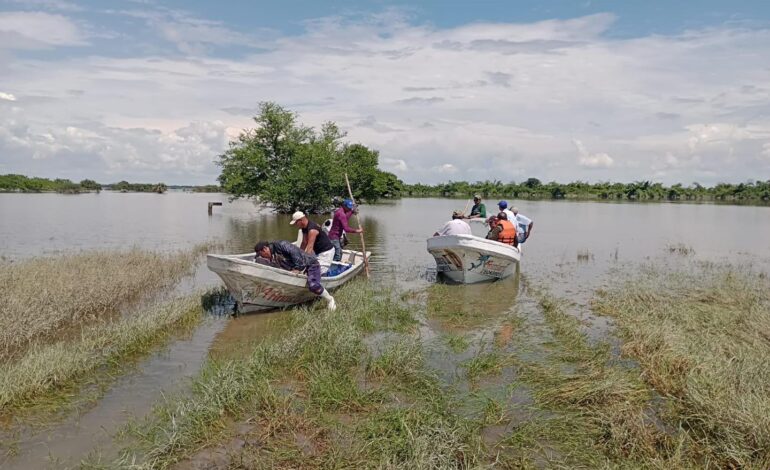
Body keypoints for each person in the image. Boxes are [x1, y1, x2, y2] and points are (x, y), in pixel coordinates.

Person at [254, 240, 336, 311]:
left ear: (265, 249)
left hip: (310, 264)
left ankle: (330, 299)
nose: (262, 257)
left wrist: (298, 268)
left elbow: (295, 253)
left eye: (261, 254)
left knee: (313, 285)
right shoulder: (273, 255)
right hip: (297, 267)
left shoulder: (281, 245)